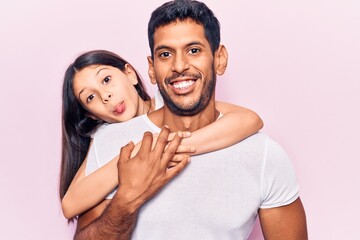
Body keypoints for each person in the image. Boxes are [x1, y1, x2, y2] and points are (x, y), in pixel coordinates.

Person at [73, 0, 308, 239]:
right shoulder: (111, 143)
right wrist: (127, 201)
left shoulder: (263, 154)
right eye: (165, 54)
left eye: (193, 50)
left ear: (219, 59)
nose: (179, 66)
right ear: (152, 69)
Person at [59, 50, 263, 219]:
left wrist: (166, 146)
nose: (106, 96)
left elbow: (250, 119)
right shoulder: (106, 137)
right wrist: (135, 156)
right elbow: (70, 204)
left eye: (106, 80)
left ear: (129, 74)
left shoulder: (170, 100)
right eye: (90, 97)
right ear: (90, 114)